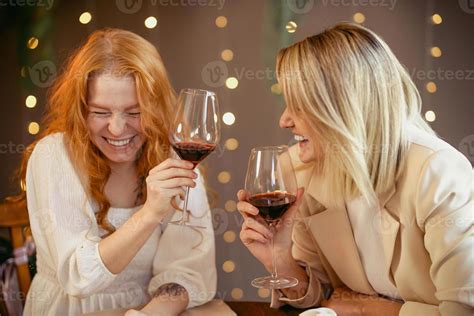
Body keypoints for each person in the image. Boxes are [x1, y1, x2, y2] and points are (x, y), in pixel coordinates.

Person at [237, 22, 473, 316]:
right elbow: (321, 297)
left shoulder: (437, 171)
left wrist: (372, 309)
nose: (284, 120)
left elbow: (463, 311)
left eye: (299, 105)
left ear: (343, 107)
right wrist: (279, 257)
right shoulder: (300, 169)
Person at [20, 28, 217, 315]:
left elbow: (186, 271)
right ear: (81, 109)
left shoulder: (174, 157)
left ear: (157, 108)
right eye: (100, 112)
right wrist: (150, 213)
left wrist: (149, 314)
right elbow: (79, 276)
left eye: (135, 112)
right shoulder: (53, 155)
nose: (116, 128)